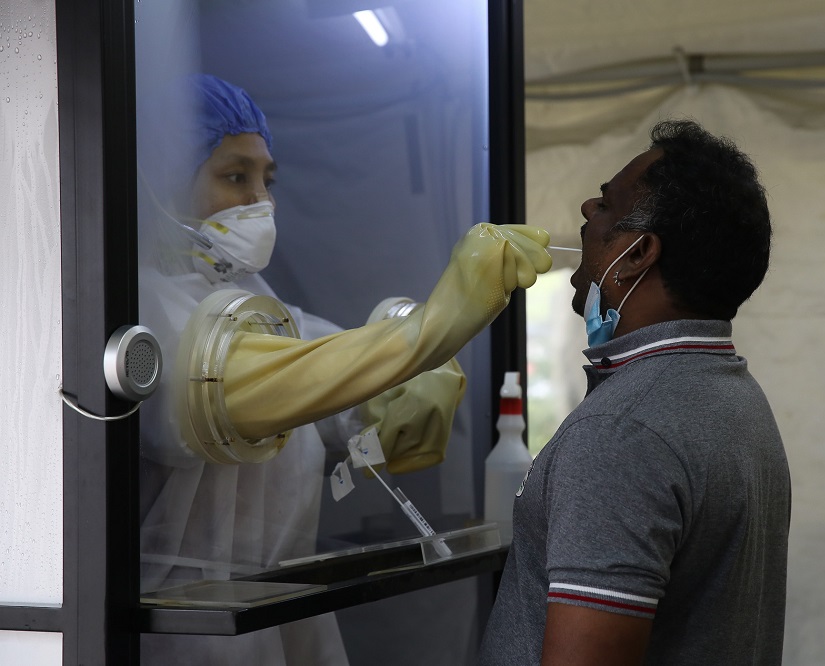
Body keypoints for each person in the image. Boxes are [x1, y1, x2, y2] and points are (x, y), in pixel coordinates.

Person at [137, 74, 551, 665]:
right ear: (162, 183)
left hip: (282, 612)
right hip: (184, 628)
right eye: (236, 176)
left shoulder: (251, 296)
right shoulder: (138, 304)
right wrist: (430, 328)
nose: (262, 200)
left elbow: (332, 370)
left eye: (267, 180)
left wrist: (402, 381)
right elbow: (231, 390)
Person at [479, 119, 790, 665]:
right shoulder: (733, 393)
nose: (584, 211)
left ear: (639, 253)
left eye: (604, 204)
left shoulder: (622, 431)